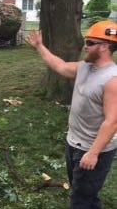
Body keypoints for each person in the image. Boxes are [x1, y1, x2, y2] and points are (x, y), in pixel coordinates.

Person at [27, 21, 117, 209]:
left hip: (93, 150)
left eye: (90, 42)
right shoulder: (84, 67)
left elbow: (112, 121)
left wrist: (93, 153)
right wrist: (39, 46)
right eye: (86, 41)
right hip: (73, 143)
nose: (85, 46)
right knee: (83, 193)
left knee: (80, 200)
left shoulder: (111, 79)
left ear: (105, 46)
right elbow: (59, 65)